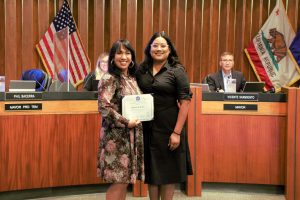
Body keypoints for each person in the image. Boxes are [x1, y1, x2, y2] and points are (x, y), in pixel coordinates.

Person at [136, 32, 193, 200]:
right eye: (155, 45)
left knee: (168, 172)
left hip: (170, 128)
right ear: (149, 48)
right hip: (147, 128)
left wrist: (176, 132)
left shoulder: (177, 71)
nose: (158, 49)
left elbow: (185, 102)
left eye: (163, 46)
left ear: (169, 50)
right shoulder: (141, 70)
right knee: (152, 172)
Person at [97, 40, 144, 200]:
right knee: (118, 180)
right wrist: (125, 121)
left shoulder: (131, 77)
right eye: (119, 53)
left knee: (123, 180)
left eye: (127, 53)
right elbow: (104, 107)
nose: (124, 57)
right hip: (116, 138)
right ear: (112, 57)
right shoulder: (110, 78)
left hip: (130, 136)